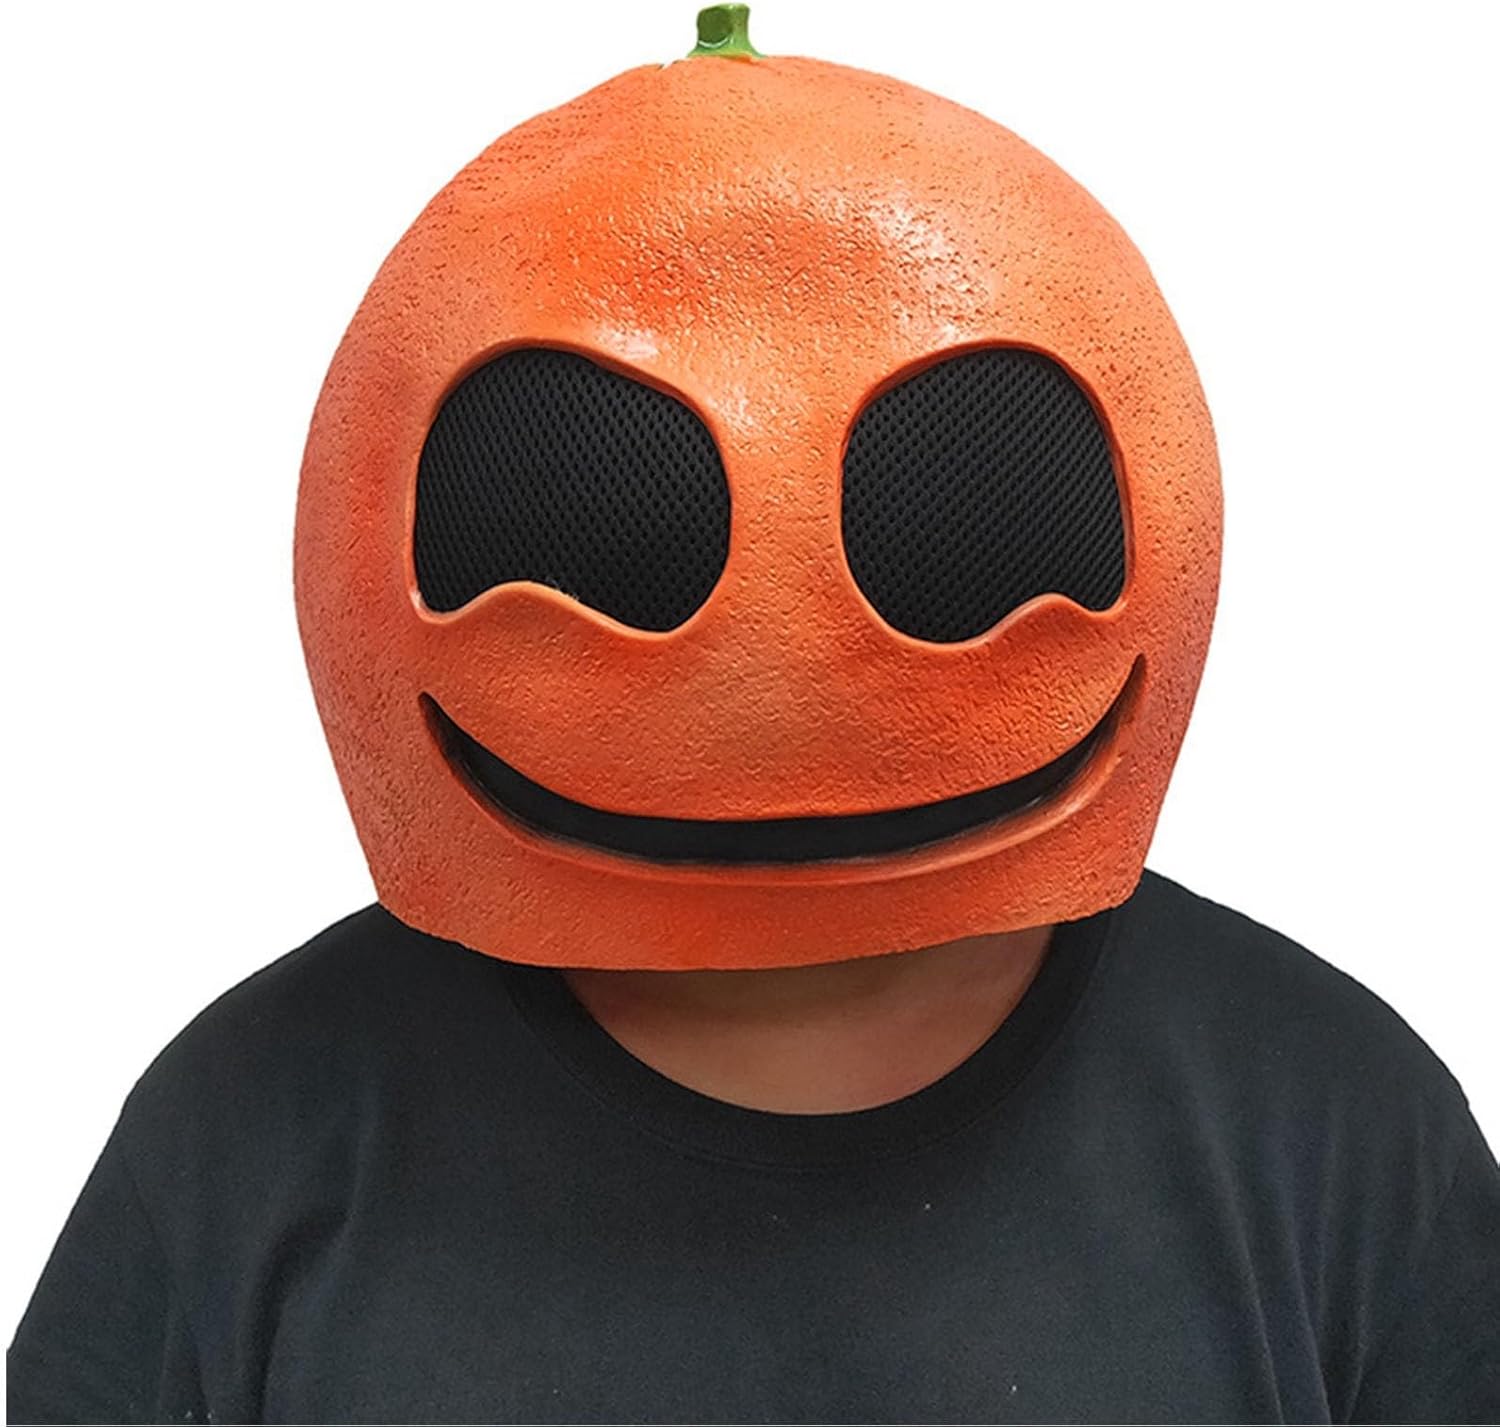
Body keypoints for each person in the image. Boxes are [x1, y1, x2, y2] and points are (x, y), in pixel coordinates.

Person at [9, 6, 1499, 1423]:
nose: (779, 648)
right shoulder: (250, 1135)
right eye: (600, 509)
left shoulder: (1332, 1128)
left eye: (946, 492)